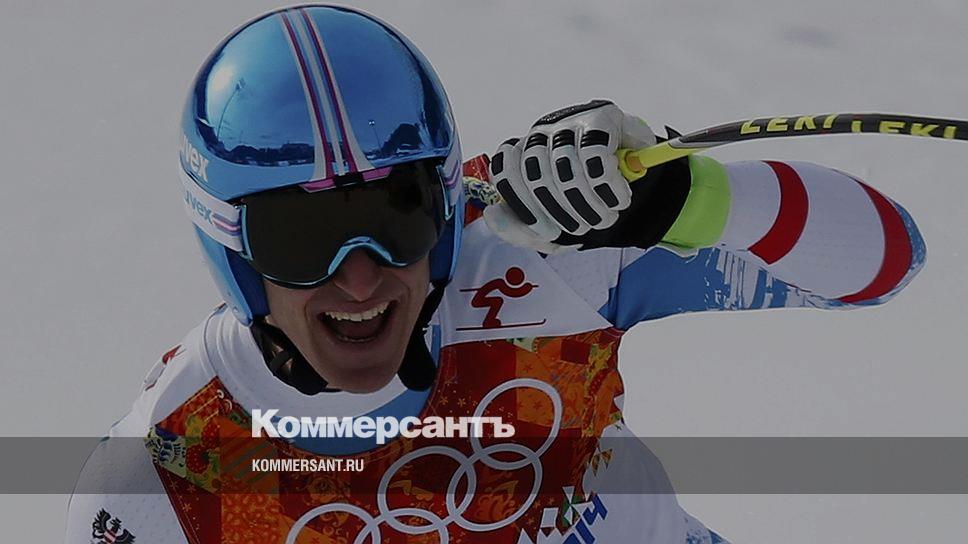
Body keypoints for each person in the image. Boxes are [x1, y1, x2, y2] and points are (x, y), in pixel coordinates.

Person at [65, 5, 925, 543]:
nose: (359, 280)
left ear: (444, 209)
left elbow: (885, 260)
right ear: (232, 252)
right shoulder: (166, 478)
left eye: (397, 216)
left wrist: (684, 201)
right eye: (301, 239)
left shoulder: (535, 254)